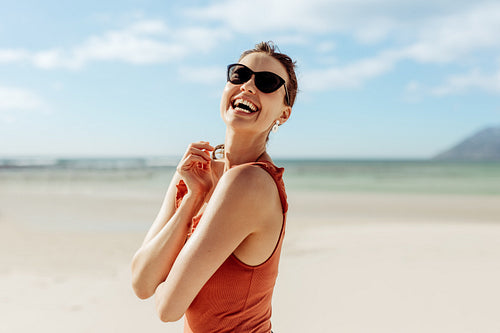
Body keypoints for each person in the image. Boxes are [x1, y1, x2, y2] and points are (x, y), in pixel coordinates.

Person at [131, 41, 298, 332]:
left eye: (267, 82)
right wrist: (192, 200)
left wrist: (167, 274)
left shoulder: (251, 182)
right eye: (239, 75)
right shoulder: (197, 171)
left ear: (283, 114)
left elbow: (168, 307)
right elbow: (142, 283)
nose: (248, 86)